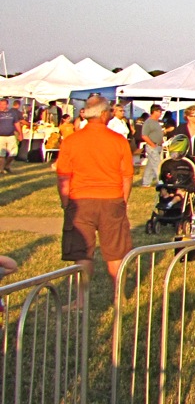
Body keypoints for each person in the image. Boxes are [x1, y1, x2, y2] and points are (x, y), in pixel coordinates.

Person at [55, 98, 133, 287]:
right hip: (112, 199)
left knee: (82, 253)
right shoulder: (119, 140)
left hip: (80, 201)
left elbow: (63, 177)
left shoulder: (71, 141)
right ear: (104, 114)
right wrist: (123, 200)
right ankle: (118, 296)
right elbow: (127, 176)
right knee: (115, 253)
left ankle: (82, 297)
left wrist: (66, 203)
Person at [139, 105, 165, 186]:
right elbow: (144, 135)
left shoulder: (156, 122)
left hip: (158, 146)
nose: (161, 113)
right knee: (158, 165)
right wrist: (152, 144)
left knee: (150, 166)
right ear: (154, 111)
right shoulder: (148, 122)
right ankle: (161, 182)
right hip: (152, 146)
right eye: (159, 111)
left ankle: (146, 183)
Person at [0, 99, 25, 174]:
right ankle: (1, 169)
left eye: (3, 104)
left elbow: (17, 123)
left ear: (7, 105)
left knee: (14, 152)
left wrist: (20, 134)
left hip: (11, 135)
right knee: (1, 154)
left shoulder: (12, 113)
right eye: (0, 104)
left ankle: (7, 166)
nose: (1, 106)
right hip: (1, 136)